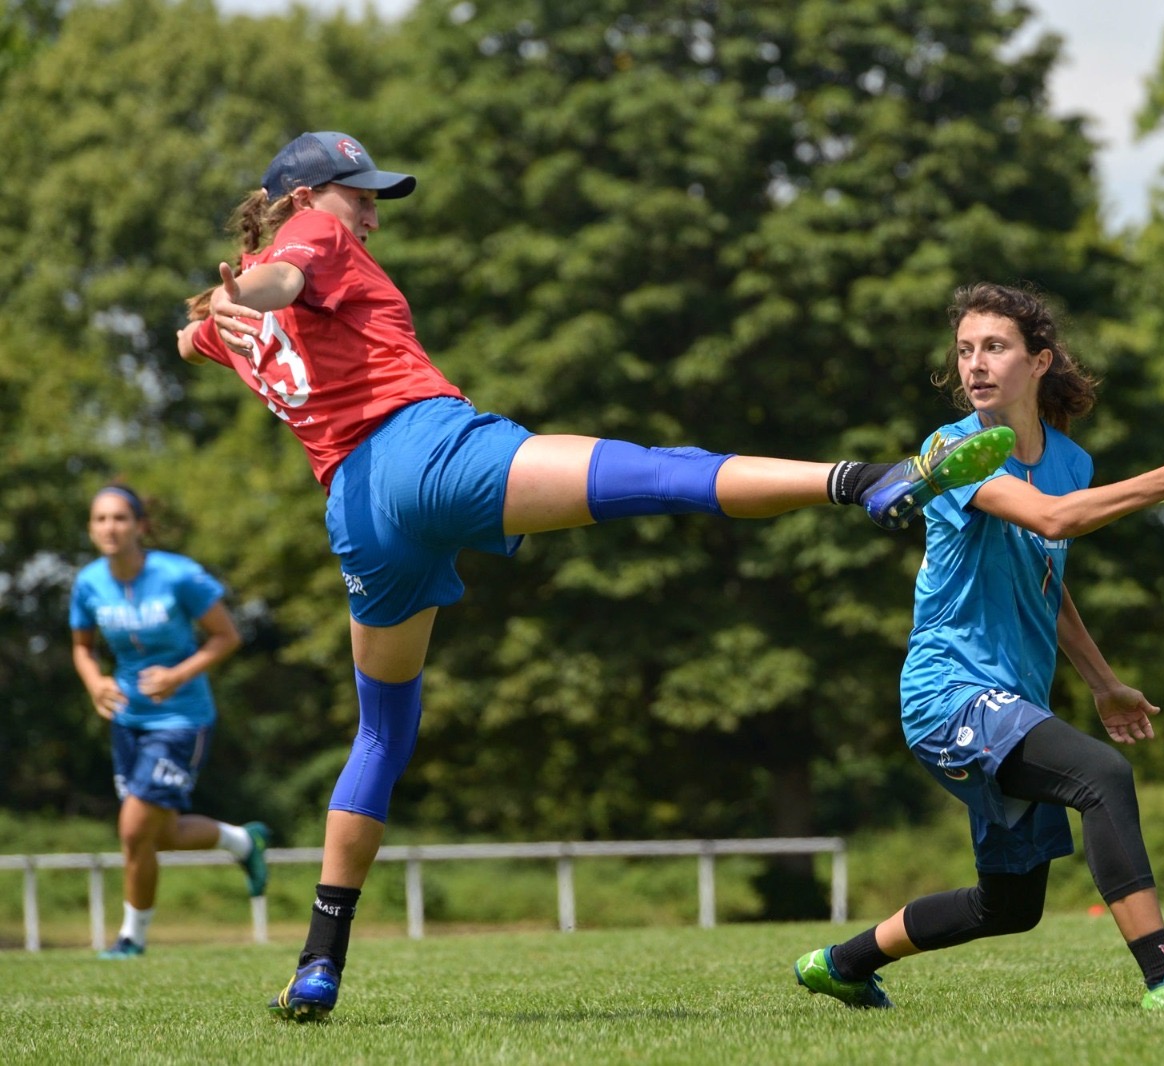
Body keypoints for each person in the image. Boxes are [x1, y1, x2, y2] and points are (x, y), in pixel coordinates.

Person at [176, 131, 1015, 1022]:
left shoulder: (243, 323)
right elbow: (286, 275)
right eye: (360, 193)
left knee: (381, 732)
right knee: (655, 474)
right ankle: (858, 481)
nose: (373, 210)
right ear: (305, 200)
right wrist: (251, 283)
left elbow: (200, 330)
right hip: (427, 452)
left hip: (357, 510)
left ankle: (318, 962)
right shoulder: (316, 239)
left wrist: (218, 304)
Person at [793, 282, 1164, 1011]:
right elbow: (1052, 522)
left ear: (1039, 362)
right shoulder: (950, 450)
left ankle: (841, 963)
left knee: (1009, 906)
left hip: (1009, 699)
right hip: (947, 693)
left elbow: (1047, 575)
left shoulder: (1071, 461)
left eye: (996, 348)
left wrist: (1103, 682)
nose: (975, 365)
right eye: (965, 350)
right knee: (1103, 776)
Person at [69, 485, 271, 960]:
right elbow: (82, 647)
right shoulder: (88, 583)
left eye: (119, 518)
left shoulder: (179, 576)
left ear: (140, 526)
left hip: (182, 719)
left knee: (134, 829)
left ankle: (130, 940)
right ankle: (243, 840)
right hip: (127, 719)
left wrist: (178, 674)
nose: (109, 528)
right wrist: (94, 682)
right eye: (100, 519)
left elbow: (227, 636)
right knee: (159, 834)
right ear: (91, 528)